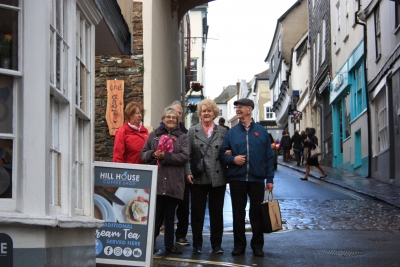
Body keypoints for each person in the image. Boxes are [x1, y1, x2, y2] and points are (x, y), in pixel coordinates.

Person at [219, 98, 274, 257]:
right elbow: (222, 155)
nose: (237, 110)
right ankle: (239, 246)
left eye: (240, 107)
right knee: (238, 213)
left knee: (256, 213)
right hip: (237, 179)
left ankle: (257, 246)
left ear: (249, 109)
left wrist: (269, 179)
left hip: (257, 179)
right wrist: (233, 159)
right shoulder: (232, 132)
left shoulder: (262, 131)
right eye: (236, 107)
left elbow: (269, 157)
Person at [140, 107, 189, 256]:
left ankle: (169, 245)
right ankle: (150, 245)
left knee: (170, 216)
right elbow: (143, 154)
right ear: (163, 119)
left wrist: (166, 157)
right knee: (155, 216)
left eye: (174, 118)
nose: (171, 120)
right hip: (157, 182)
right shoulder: (153, 135)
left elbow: (184, 157)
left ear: (178, 121)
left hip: (174, 182)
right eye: (168, 117)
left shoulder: (183, 137)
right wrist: (153, 154)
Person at [185, 99, 228, 255]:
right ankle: (197, 244)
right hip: (199, 177)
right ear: (200, 114)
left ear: (214, 113)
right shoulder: (192, 131)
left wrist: (229, 153)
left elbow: (227, 151)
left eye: (209, 110)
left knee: (217, 214)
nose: (207, 113)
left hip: (218, 177)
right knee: (198, 213)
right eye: (204, 111)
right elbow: (187, 155)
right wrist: (188, 172)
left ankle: (216, 244)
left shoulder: (223, 131)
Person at [170, 101, 191, 247]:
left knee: (183, 207)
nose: (175, 116)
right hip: (166, 176)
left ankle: (181, 235)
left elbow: (187, 156)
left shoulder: (186, 133)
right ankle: (165, 238)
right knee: (167, 208)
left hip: (182, 175)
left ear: (181, 116)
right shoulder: (161, 131)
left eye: (178, 113)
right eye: (172, 113)